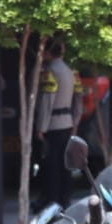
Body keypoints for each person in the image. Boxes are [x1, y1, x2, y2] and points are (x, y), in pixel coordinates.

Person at [34, 37, 77, 214]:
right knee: (64, 165)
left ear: (49, 52)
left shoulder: (50, 71)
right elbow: (77, 101)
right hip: (67, 122)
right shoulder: (69, 71)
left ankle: (52, 202)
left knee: (51, 165)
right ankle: (64, 198)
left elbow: (47, 100)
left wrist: (41, 126)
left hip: (53, 124)